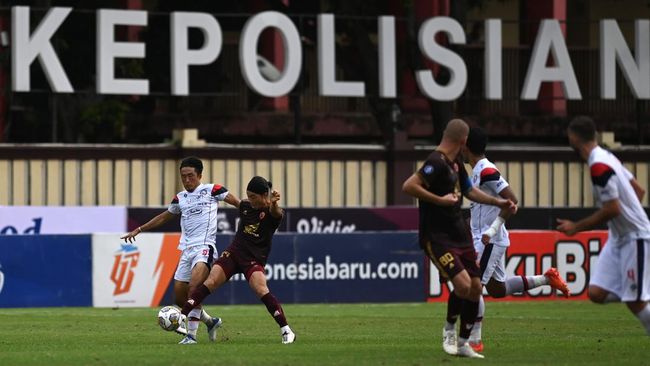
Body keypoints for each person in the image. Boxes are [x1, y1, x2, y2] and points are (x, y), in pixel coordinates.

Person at [402, 119, 516, 359]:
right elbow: (409, 186)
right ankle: (449, 330)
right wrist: (439, 200)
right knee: (465, 286)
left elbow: (469, 191)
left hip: (459, 233)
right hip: (437, 236)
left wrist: (498, 202)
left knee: (475, 287)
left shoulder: (456, 165)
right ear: (463, 141)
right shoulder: (435, 162)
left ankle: (464, 343)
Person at [464, 127, 570, 352]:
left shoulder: (486, 170)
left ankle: (474, 341)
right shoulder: (476, 171)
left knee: (473, 287)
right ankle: (546, 279)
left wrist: (491, 230)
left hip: (488, 240)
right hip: (485, 239)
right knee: (497, 290)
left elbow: (512, 200)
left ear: (466, 146)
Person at [121, 156, 240, 344]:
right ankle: (211, 322)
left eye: (190, 176)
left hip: (204, 247)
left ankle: (191, 336)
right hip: (186, 250)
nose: (186, 180)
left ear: (200, 175)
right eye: (183, 176)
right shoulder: (180, 197)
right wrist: (140, 228)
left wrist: (253, 215)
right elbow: (164, 216)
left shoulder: (212, 190)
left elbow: (238, 203)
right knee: (179, 297)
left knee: (194, 287)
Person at [557, 116, 650, 336]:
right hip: (619, 237)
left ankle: (639, 292)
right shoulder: (608, 158)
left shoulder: (599, 165)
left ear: (574, 137)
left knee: (636, 303)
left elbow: (612, 209)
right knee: (596, 293)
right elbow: (638, 190)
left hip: (635, 237)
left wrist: (575, 227)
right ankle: (638, 290)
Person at [179, 176, 296, 344]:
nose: (250, 200)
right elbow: (235, 200)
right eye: (248, 196)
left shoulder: (273, 212)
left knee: (261, 289)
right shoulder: (246, 207)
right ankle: (182, 316)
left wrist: (275, 202)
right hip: (234, 254)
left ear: (265, 195)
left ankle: (286, 330)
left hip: (253, 259)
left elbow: (276, 213)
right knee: (210, 281)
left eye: (253, 197)